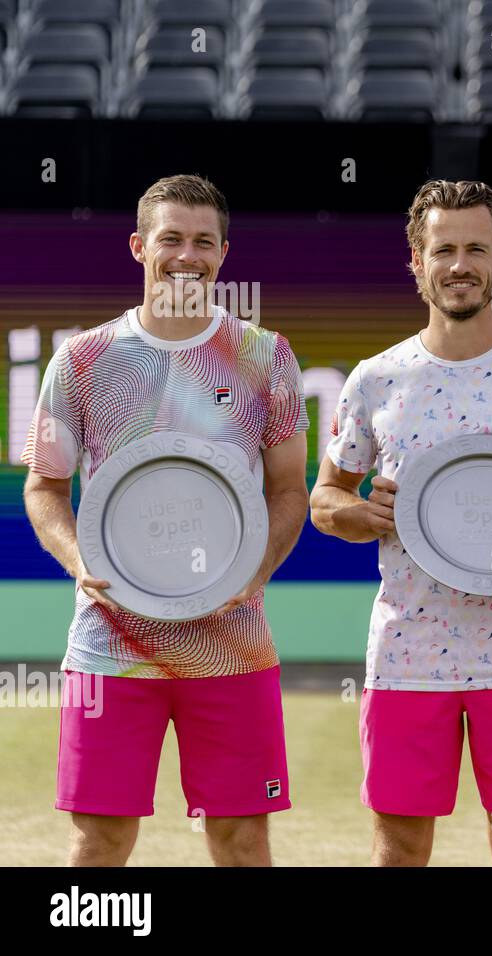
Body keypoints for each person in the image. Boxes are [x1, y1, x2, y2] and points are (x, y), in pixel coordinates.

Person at [309, 180, 492, 867]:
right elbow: (325, 497)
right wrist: (359, 512)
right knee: (401, 842)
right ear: (417, 261)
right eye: (443, 249)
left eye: (477, 247)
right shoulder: (377, 378)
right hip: (408, 650)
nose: (460, 264)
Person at [22, 174, 309, 866]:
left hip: (232, 644)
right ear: (138, 247)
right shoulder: (82, 359)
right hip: (110, 646)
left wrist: (257, 569)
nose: (187, 255)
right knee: (100, 840)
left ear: (223, 253)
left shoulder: (265, 355)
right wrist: (79, 562)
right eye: (171, 239)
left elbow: (290, 490)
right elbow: (44, 487)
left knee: (240, 838)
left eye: (203, 241)